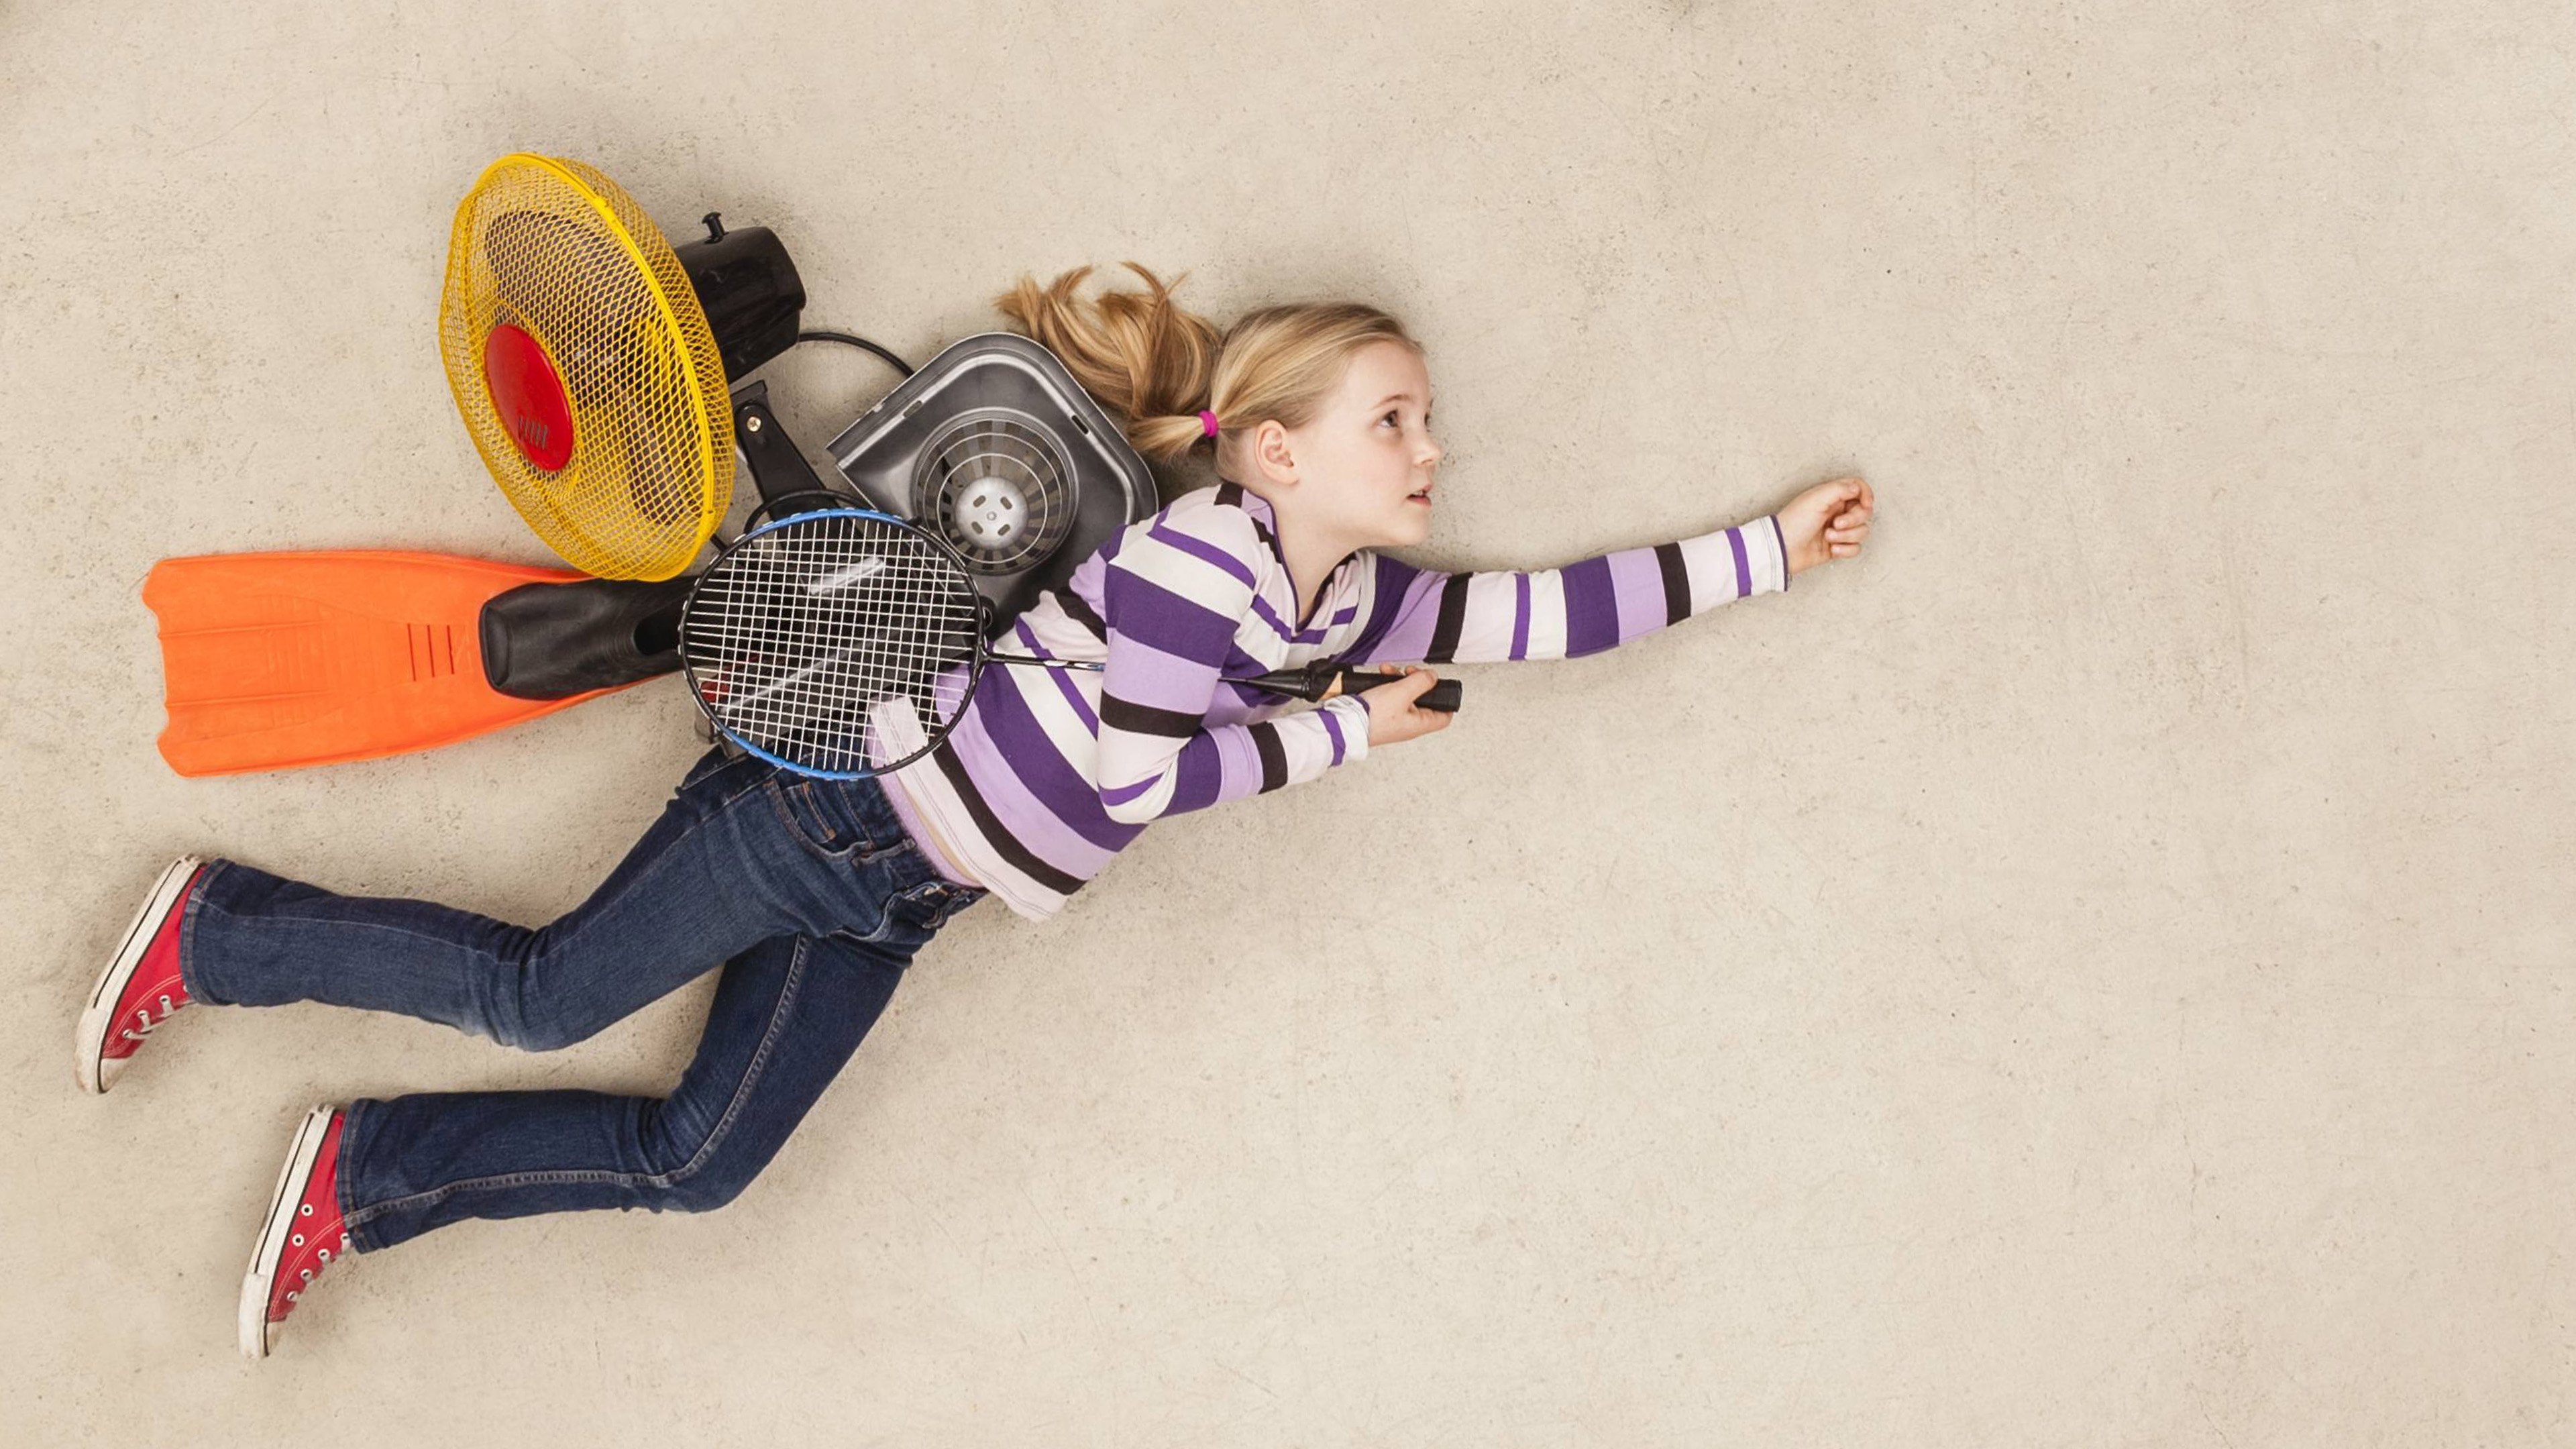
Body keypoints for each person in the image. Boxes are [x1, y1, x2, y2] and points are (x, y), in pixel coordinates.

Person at [73, 262, 1876, 1359]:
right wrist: (1333, 745)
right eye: (1394, 419)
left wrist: (1769, 553)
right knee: (541, 995)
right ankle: (221, 930)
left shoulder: (1342, 609)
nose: (1430, 453)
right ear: (1272, 448)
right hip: (829, 812)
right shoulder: (1205, 565)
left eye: (1428, 425)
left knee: (698, 1167)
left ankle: (368, 1173)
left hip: (903, 894)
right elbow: (1118, 785)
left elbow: (1551, 609)